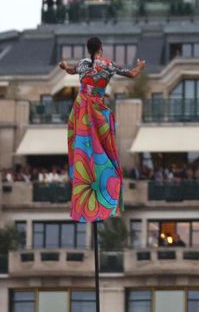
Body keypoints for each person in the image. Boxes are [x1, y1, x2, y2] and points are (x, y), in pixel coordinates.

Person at [58, 37, 145, 222]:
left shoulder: (82, 64)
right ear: (101, 48)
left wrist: (64, 66)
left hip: (81, 109)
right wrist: (141, 66)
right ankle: (106, 187)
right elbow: (131, 74)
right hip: (96, 110)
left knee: (83, 148)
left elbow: (70, 70)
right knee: (103, 148)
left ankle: (86, 184)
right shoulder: (108, 65)